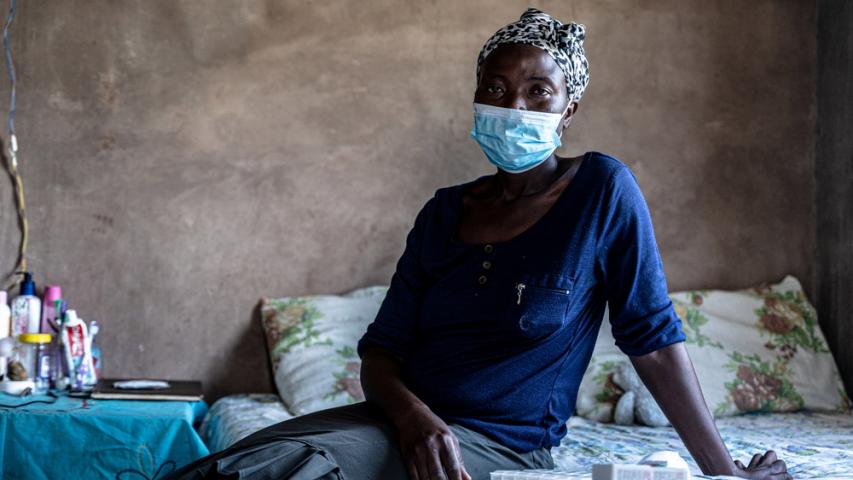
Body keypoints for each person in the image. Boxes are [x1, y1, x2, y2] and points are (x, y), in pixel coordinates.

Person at [169, 8, 792, 480]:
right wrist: (415, 421)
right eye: (495, 88)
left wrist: (725, 474)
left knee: (302, 471)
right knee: (241, 462)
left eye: (537, 91)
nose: (513, 105)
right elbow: (381, 357)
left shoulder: (601, 190)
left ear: (569, 108)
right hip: (398, 420)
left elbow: (652, 342)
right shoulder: (445, 212)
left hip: (502, 441)